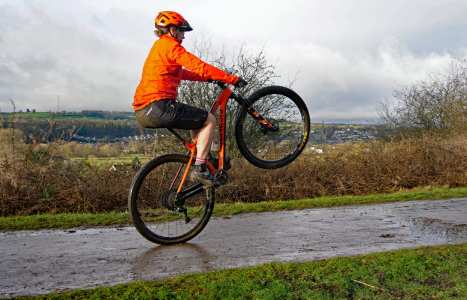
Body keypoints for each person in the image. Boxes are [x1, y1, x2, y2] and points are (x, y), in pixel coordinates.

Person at [133, 11, 246, 185]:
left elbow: (183, 73)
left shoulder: (159, 48)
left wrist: (210, 78)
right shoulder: (171, 47)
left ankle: (204, 158)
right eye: (181, 31)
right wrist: (230, 78)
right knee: (209, 120)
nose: (183, 36)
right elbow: (198, 65)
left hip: (144, 111)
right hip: (158, 106)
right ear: (171, 30)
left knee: (197, 119)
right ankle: (200, 168)